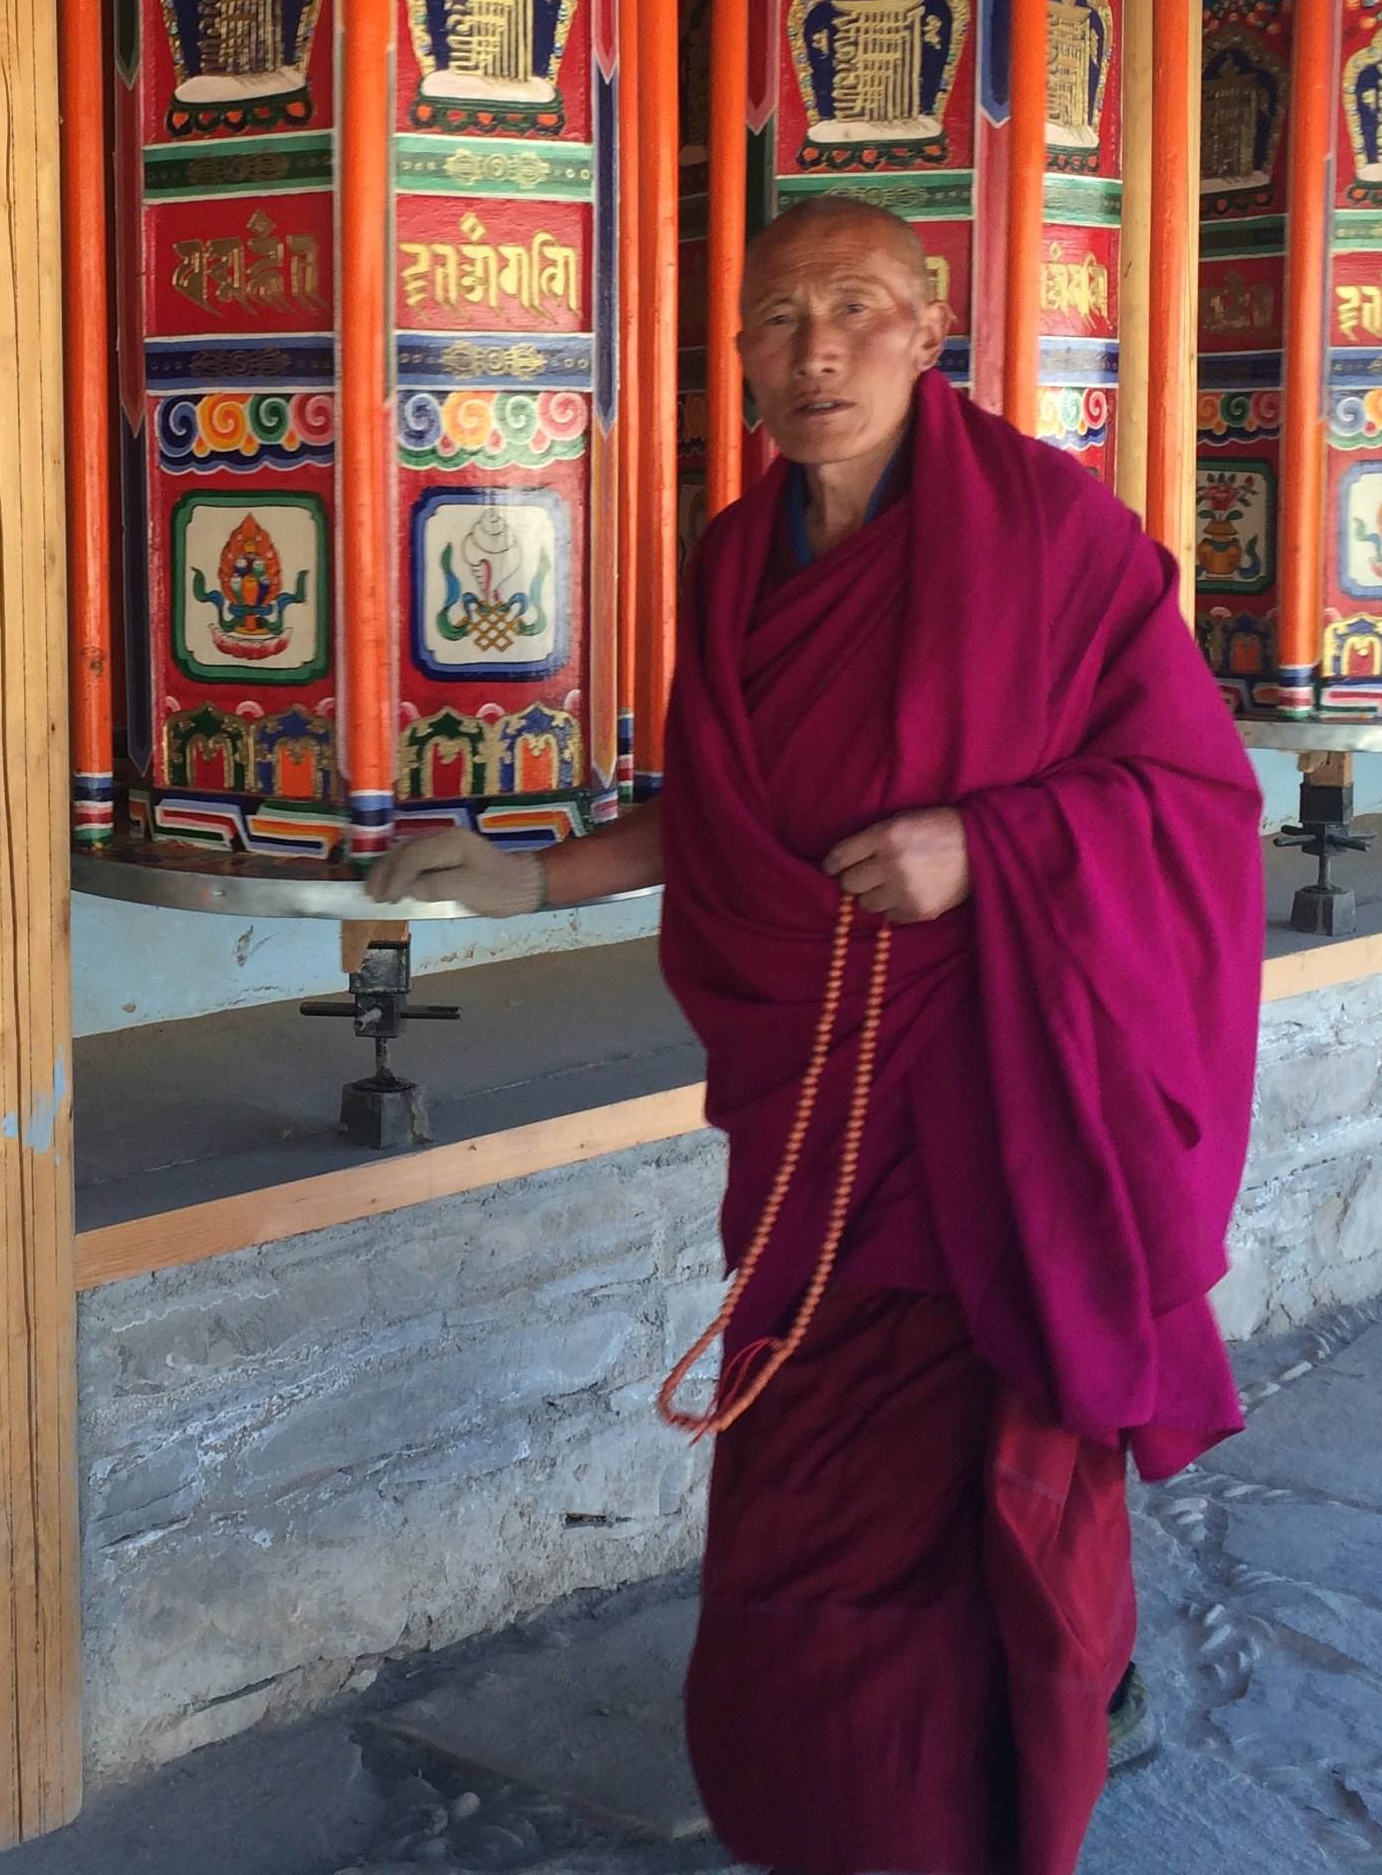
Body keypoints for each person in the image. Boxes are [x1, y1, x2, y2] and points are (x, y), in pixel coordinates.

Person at [369, 195, 1264, 1875]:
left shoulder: (1055, 538)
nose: (816, 351)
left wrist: (985, 848)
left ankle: (960, 1792)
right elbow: (720, 821)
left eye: (854, 308)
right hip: (814, 1128)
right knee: (812, 1489)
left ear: (932, 330)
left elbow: (1194, 798)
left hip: (991, 1113)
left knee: (969, 1479)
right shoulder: (732, 560)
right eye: (777, 322)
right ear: (741, 363)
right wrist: (527, 877)